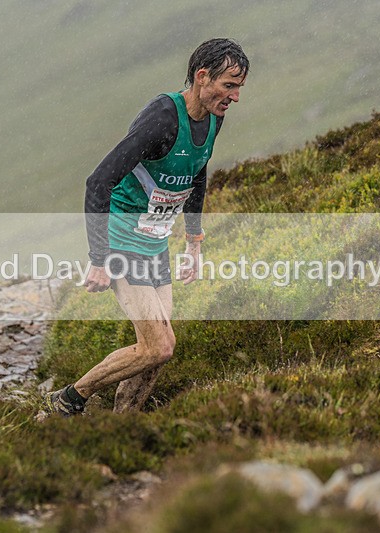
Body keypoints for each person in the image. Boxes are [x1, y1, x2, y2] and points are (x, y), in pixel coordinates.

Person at [43, 38, 248, 416]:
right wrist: (99, 258)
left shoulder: (214, 118)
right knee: (159, 345)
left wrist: (193, 242)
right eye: (229, 86)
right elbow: (98, 181)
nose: (234, 97)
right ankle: (71, 398)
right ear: (203, 77)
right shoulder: (162, 119)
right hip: (122, 237)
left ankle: (124, 424)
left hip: (155, 241)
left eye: (238, 88)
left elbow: (196, 174)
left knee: (156, 353)